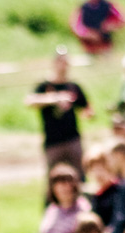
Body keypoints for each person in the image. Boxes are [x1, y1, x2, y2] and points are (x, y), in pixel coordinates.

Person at [26, 47, 93, 181]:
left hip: (72, 139)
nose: (64, 66)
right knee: (54, 179)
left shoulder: (73, 86)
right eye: (61, 62)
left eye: (66, 62)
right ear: (54, 63)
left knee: (79, 176)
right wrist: (55, 99)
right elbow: (30, 101)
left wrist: (87, 113)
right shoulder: (45, 86)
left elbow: (87, 108)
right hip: (53, 141)